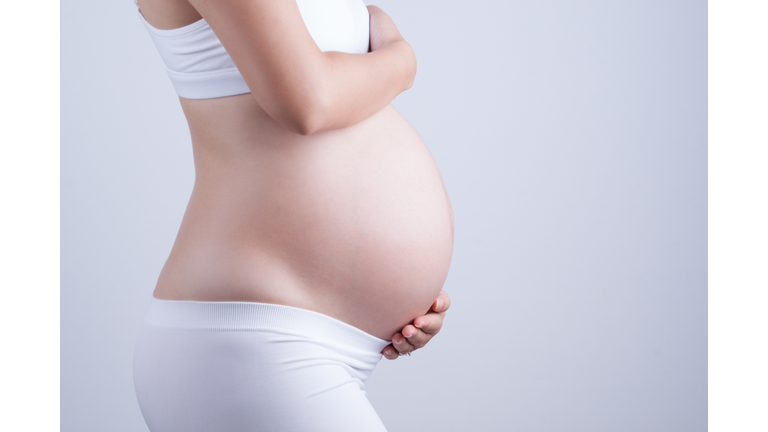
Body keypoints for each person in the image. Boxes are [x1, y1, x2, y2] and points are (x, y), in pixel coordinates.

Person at [131, 0, 454, 430]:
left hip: (291, 341)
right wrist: (401, 57)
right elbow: (309, 100)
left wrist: (399, 295)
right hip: (249, 342)